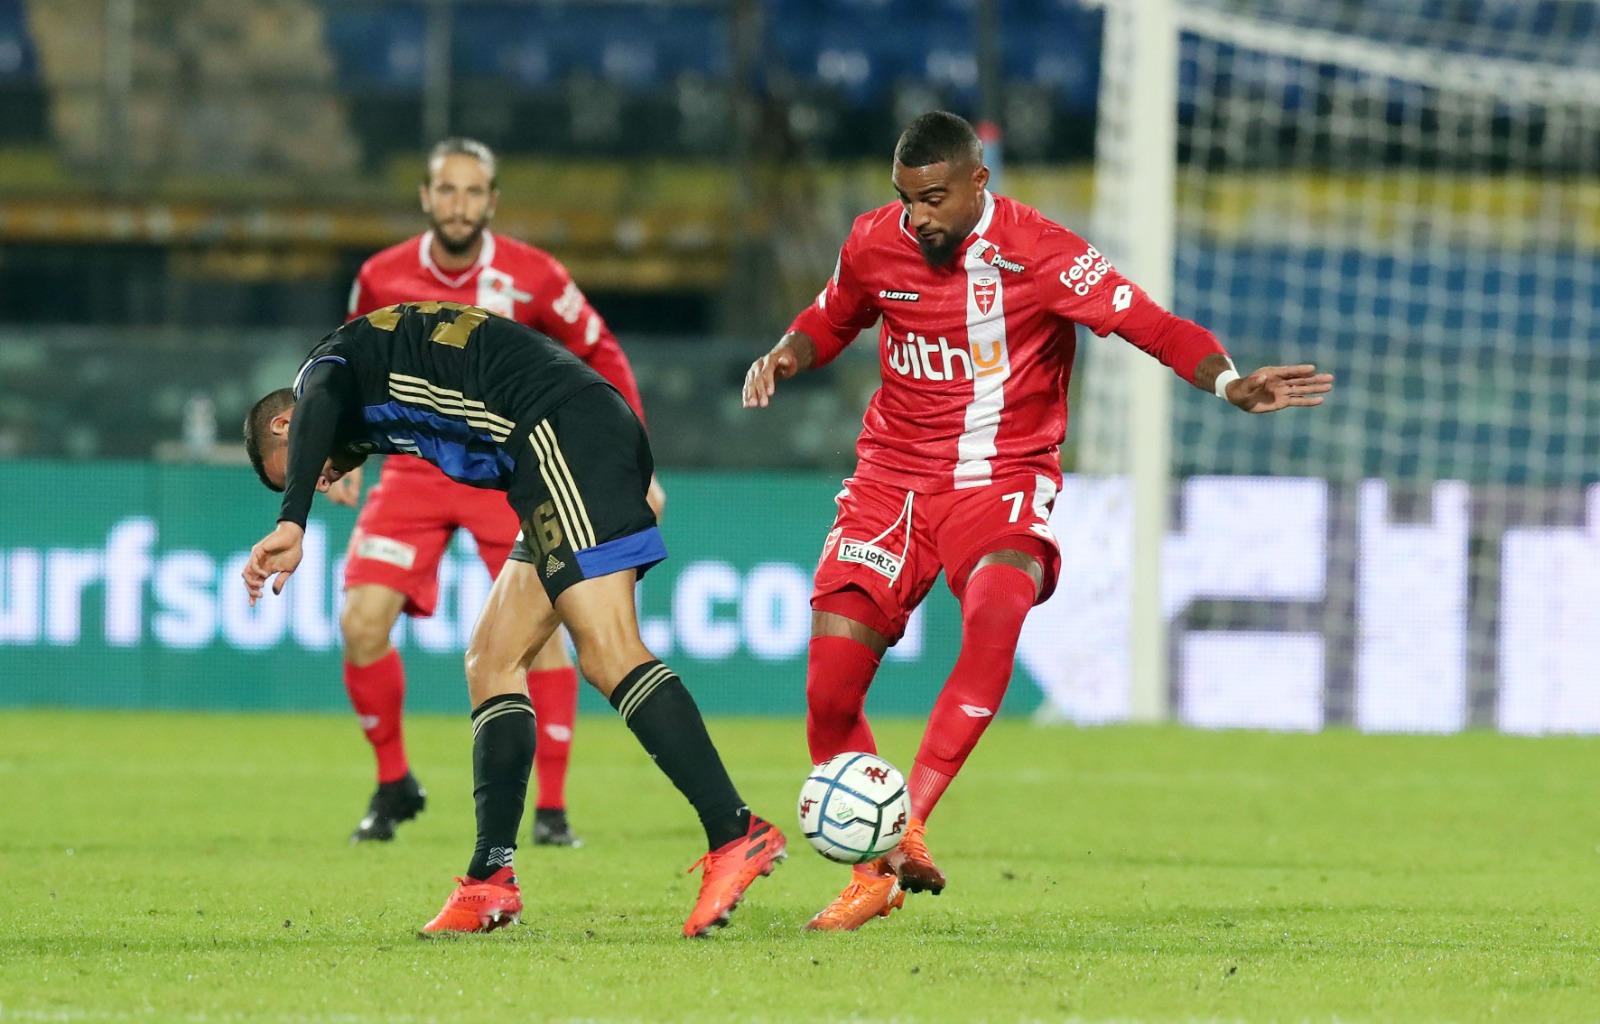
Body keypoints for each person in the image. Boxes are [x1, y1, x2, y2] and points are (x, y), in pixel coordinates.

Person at [742, 111, 1332, 931]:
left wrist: (1229, 381)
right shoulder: (874, 241)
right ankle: (873, 872)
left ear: (979, 183)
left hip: (1002, 480)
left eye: (936, 199)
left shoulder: (1043, 252)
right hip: (891, 484)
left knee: (993, 614)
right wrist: (787, 353)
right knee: (829, 693)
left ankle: (912, 820)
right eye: (908, 200)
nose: (920, 218)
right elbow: (836, 313)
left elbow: (1150, 324)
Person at [242, 301, 785, 937]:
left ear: (288, 423)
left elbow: (324, 392)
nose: (322, 472)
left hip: (561, 434)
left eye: (308, 464)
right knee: (491, 660)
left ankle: (735, 829)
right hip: (557, 443)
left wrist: (292, 516)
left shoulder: (323, 374)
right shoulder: (365, 375)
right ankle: (489, 880)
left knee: (609, 652)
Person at [328, 137, 663, 848]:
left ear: (493, 201)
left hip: (504, 472)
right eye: (446, 191)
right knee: (360, 624)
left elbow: (601, 355)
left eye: (472, 192)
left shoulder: (533, 277)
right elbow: (349, 365)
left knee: (542, 637)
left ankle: (552, 809)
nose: (459, 205)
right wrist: (341, 446)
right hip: (415, 470)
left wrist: (634, 460)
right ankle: (394, 784)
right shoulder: (381, 276)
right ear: (425, 198)